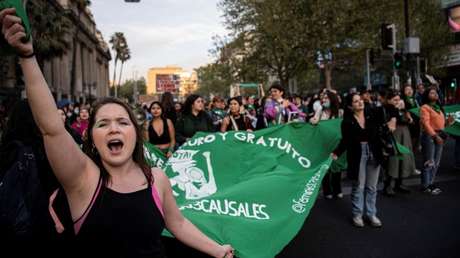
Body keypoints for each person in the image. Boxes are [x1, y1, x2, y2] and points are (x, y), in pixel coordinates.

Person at [0, 8, 233, 258]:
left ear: (135, 133)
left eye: (123, 122)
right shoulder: (82, 179)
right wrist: (27, 57)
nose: (113, 128)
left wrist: (218, 251)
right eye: (103, 124)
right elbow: (52, 129)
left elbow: (178, 224)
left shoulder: (157, 179)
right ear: (91, 138)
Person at [332, 93, 395, 228]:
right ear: (350, 106)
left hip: (374, 150)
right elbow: (346, 140)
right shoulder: (347, 122)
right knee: (358, 186)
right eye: (356, 101)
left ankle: (371, 214)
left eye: (360, 100)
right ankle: (357, 215)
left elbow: (390, 108)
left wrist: (393, 120)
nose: (360, 102)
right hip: (357, 153)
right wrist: (336, 153)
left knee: (372, 186)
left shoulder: (372, 113)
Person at [419, 86, 455, 195]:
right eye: (432, 93)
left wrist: (448, 122)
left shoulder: (438, 107)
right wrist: (435, 136)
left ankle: (431, 183)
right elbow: (425, 123)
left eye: (435, 93)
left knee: (436, 162)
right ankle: (425, 185)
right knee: (429, 161)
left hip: (440, 134)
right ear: (427, 96)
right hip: (430, 136)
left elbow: (442, 125)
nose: (435, 95)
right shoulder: (425, 107)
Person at [383, 90, 416, 196]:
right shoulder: (386, 109)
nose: (397, 101)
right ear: (389, 100)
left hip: (404, 135)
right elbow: (391, 120)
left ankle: (399, 183)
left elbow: (411, 121)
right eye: (395, 100)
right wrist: (397, 109)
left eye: (399, 99)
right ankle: (387, 186)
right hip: (394, 136)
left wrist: (408, 116)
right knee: (393, 160)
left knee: (403, 159)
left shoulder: (403, 108)